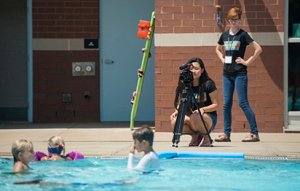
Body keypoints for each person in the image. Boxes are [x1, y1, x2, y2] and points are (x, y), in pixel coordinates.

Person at [215, 7, 263, 142]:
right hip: (227, 74)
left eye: (236, 20)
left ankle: (254, 133)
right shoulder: (224, 35)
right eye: (231, 20)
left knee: (243, 103)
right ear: (227, 20)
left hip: (240, 74)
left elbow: (259, 49)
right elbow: (217, 49)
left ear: (240, 20)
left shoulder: (243, 35)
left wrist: (247, 62)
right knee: (226, 104)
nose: (233, 22)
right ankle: (226, 134)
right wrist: (222, 59)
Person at [170, 57, 218, 147]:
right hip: (192, 118)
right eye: (191, 69)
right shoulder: (185, 84)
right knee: (175, 121)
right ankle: (195, 136)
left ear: (202, 70)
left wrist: (203, 109)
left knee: (195, 117)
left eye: (196, 69)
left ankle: (206, 137)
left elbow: (216, 105)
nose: (193, 71)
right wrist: (177, 111)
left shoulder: (208, 84)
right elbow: (181, 101)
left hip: (207, 118)